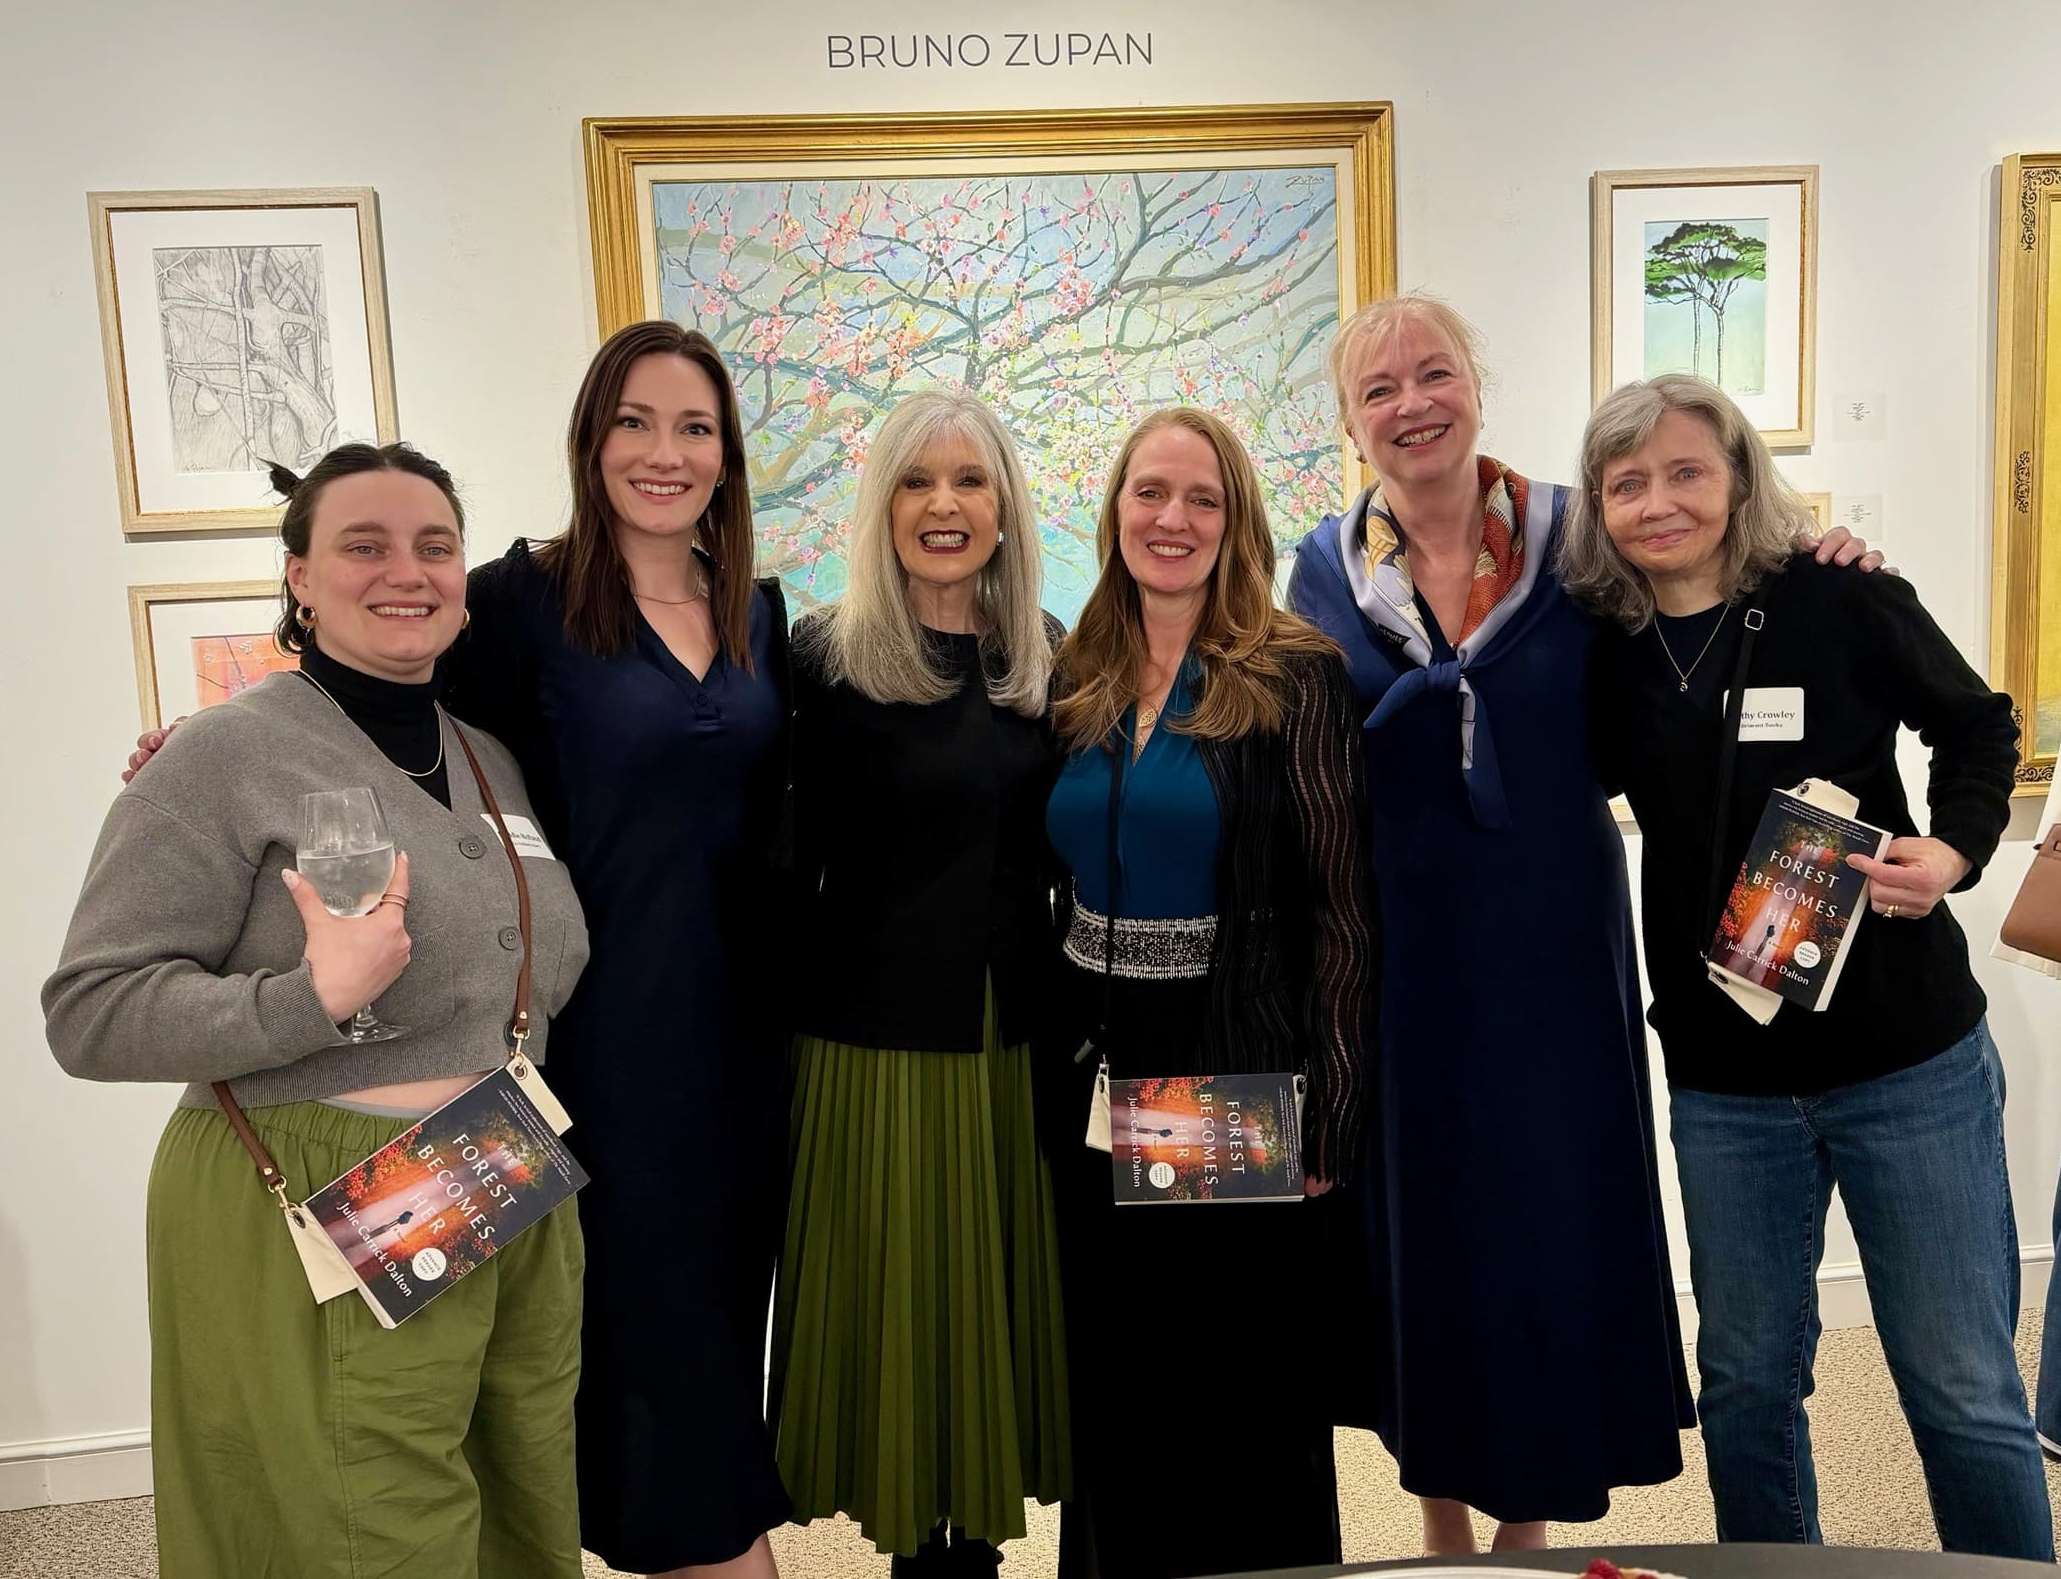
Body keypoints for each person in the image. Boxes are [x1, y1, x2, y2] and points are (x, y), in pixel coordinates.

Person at [121, 324, 793, 1577]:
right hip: (582, 1051)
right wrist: (201, 753)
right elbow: (367, 695)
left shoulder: (758, 607)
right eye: (634, 420)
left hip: (739, 1046)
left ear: (726, 454)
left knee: (638, 1360)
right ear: (591, 439)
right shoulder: (520, 600)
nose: (664, 451)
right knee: (600, 1369)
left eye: (694, 426)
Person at [47, 442, 592, 1577]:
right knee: (363, 1522)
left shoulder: (488, 758)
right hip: (317, 1181)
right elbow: (90, 1009)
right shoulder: (221, 753)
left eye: (434, 545)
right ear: (299, 575)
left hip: (500, 1166)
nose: (406, 570)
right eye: (363, 544)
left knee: (517, 1508)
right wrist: (311, 997)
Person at [1562, 373, 2053, 1559]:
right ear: (1599, 504)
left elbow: (1979, 722)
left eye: (1687, 471)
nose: (1659, 502)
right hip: (1726, 1086)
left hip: (1907, 1063)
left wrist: (1955, 849)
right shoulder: (1603, 649)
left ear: (1740, 477)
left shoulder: (1838, 594)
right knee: (1746, 1385)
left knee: (1960, 1386)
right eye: (1628, 483)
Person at [1286, 296, 1697, 1552]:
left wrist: (1823, 555)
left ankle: (1528, 1524)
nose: (1412, 404)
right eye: (1379, 389)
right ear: (1350, 424)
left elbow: (1701, 620)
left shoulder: (1581, 540)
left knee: (1543, 1219)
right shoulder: (1321, 569)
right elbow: (1296, 755)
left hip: (1555, 945)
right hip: (1403, 956)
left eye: (1434, 373)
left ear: (1476, 384)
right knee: (1430, 1227)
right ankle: (1443, 1523)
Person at [1042, 406, 1374, 1577]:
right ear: (1116, 509)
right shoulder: (1077, 669)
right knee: (1118, 1379)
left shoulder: (1293, 673)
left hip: (1226, 1058)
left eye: (1201, 498)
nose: (1171, 518)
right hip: (1093, 1066)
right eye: (1150, 492)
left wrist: (1333, 1104)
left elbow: (1342, 910)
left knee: (1234, 1385)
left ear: (1236, 522)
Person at [771, 390, 1068, 1572]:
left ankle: (975, 1550)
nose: (944, 504)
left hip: (1012, 1038)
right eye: (916, 480)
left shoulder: (1043, 653)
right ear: (882, 504)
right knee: (897, 1313)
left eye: (969, 479)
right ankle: (913, 1551)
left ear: (1004, 505)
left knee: (989, 1307)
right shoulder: (821, 657)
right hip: (870, 1040)